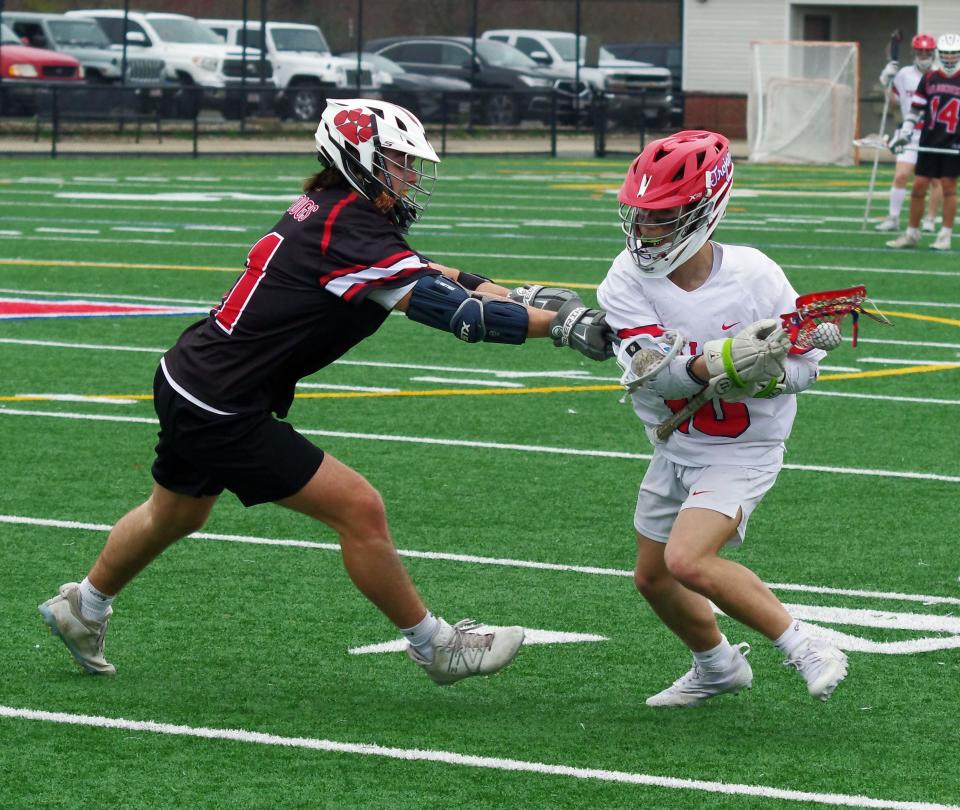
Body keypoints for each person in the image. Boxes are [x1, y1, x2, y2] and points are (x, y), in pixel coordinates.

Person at [37, 98, 611, 684]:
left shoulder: (340, 213)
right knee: (359, 509)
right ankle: (435, 645)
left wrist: (511, 294)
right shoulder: (348, 227)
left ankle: (83, 606)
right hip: (221, 400)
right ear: (358, 159)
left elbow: (430, 271)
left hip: (193, 377)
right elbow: (457, 316)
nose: (409, 175)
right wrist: (560, 326)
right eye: (396, 160)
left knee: (175, 513)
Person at [595, 130, 849, 707]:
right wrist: (725, 359)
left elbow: (808, 363)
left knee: (687, 558)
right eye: (639, 215)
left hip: (743, 446)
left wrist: (777, 372)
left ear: (706, 210)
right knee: (653, 577)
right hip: (675, 444)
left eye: (663, 216)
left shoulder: (755, 274)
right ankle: (717, 667)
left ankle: (806, 645)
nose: (646, 230)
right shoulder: (626, 278)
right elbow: (653, 373)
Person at [887, 33, 960, 252]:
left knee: (948, 187)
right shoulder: (929, 78)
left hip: (954, 141)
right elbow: (916, 109)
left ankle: (945, 235)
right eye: (945, 54)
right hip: (929, 139)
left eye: (953, 54)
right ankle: (911, 233)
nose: (948, 58)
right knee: (918, 186)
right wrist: (905, 132)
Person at [875, 34, 942, 233]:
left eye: (927, 51)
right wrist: (885, 81)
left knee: (935, 180)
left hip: (934, 134)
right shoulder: (904, 74)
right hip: (909, 133)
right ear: (914, 52)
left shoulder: (939, 75)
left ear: (933, 52)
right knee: (901, 175)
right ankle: (893, 218)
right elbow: (894, 102)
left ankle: (930, 219)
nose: (923, 55)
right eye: (920, 51)